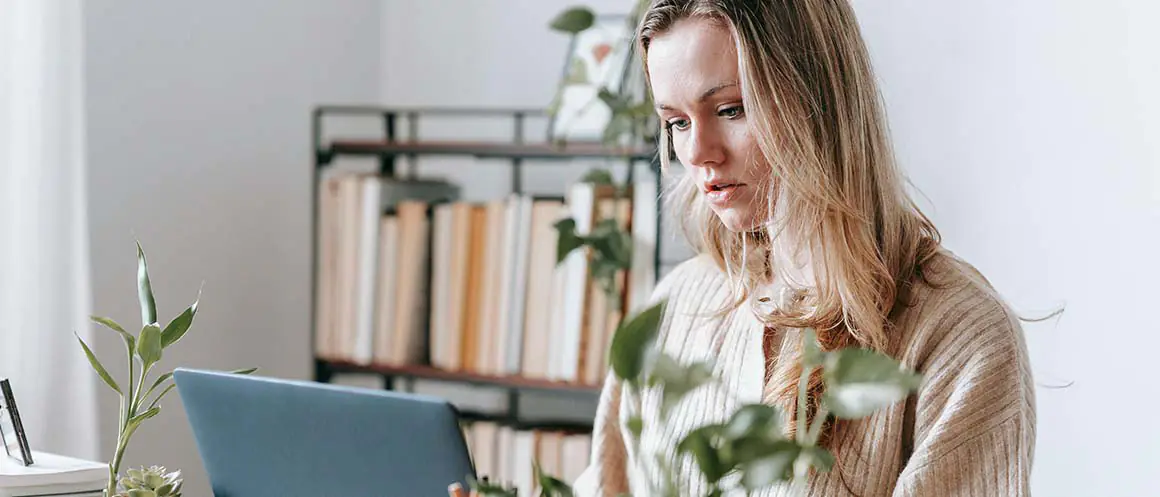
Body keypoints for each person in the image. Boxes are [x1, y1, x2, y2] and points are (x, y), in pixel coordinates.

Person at [573, 1, 1035, 496]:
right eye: (677, 122)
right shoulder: (675, 307)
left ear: (818, 99)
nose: (698, 152)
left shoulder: (958, 338)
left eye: (731, 109)